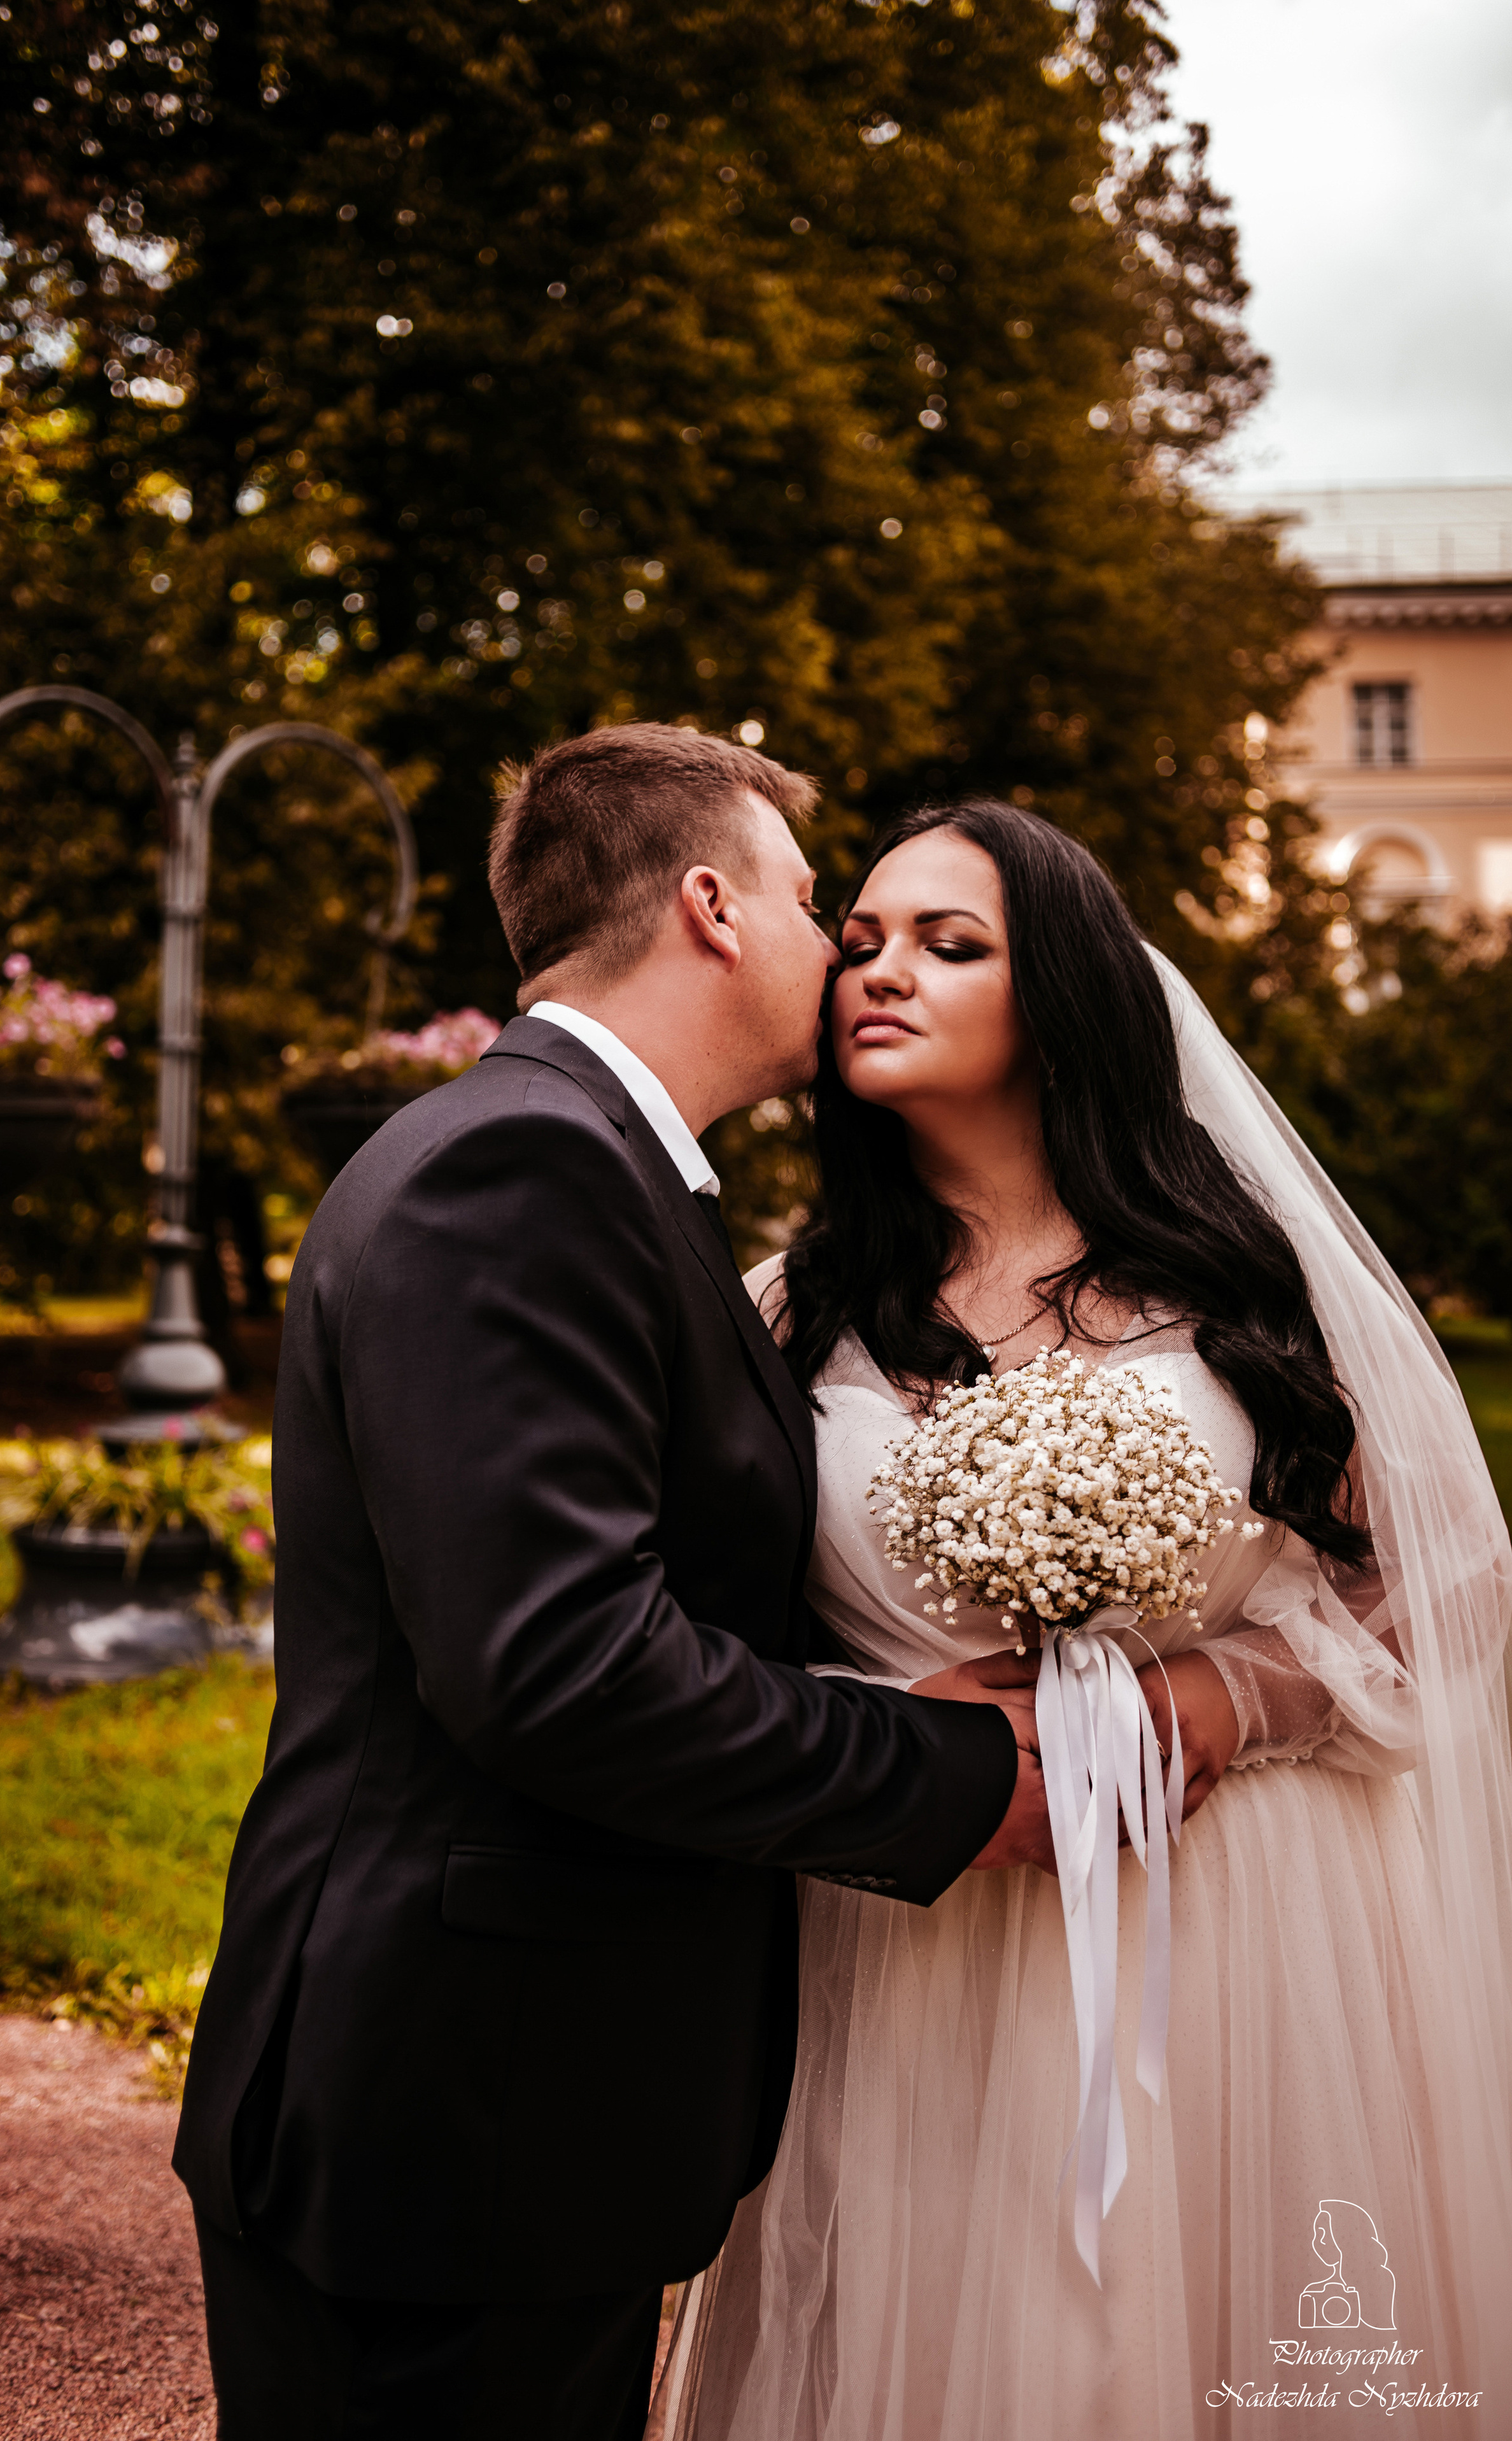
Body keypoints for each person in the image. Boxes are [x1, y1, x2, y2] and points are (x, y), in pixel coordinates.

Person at [173, 729, 1045, 2440]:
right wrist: (962, 1775)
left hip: (504, 2102)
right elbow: (563, 1663)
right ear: (714, 907)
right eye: (820, 906)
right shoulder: (527, 1173)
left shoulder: (588, 1167)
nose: (846, 951)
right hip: (451, 2113)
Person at [658, 800, 1512, 2440]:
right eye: (861, 941)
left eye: (947, 945)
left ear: (1057, 994)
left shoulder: (1236, 1287)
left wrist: (1206, 1700)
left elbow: (1439, 1586)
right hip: (912, 1926)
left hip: (1231, 1919)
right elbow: (708, 1625)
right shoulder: (788, 1309)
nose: (875, 973)